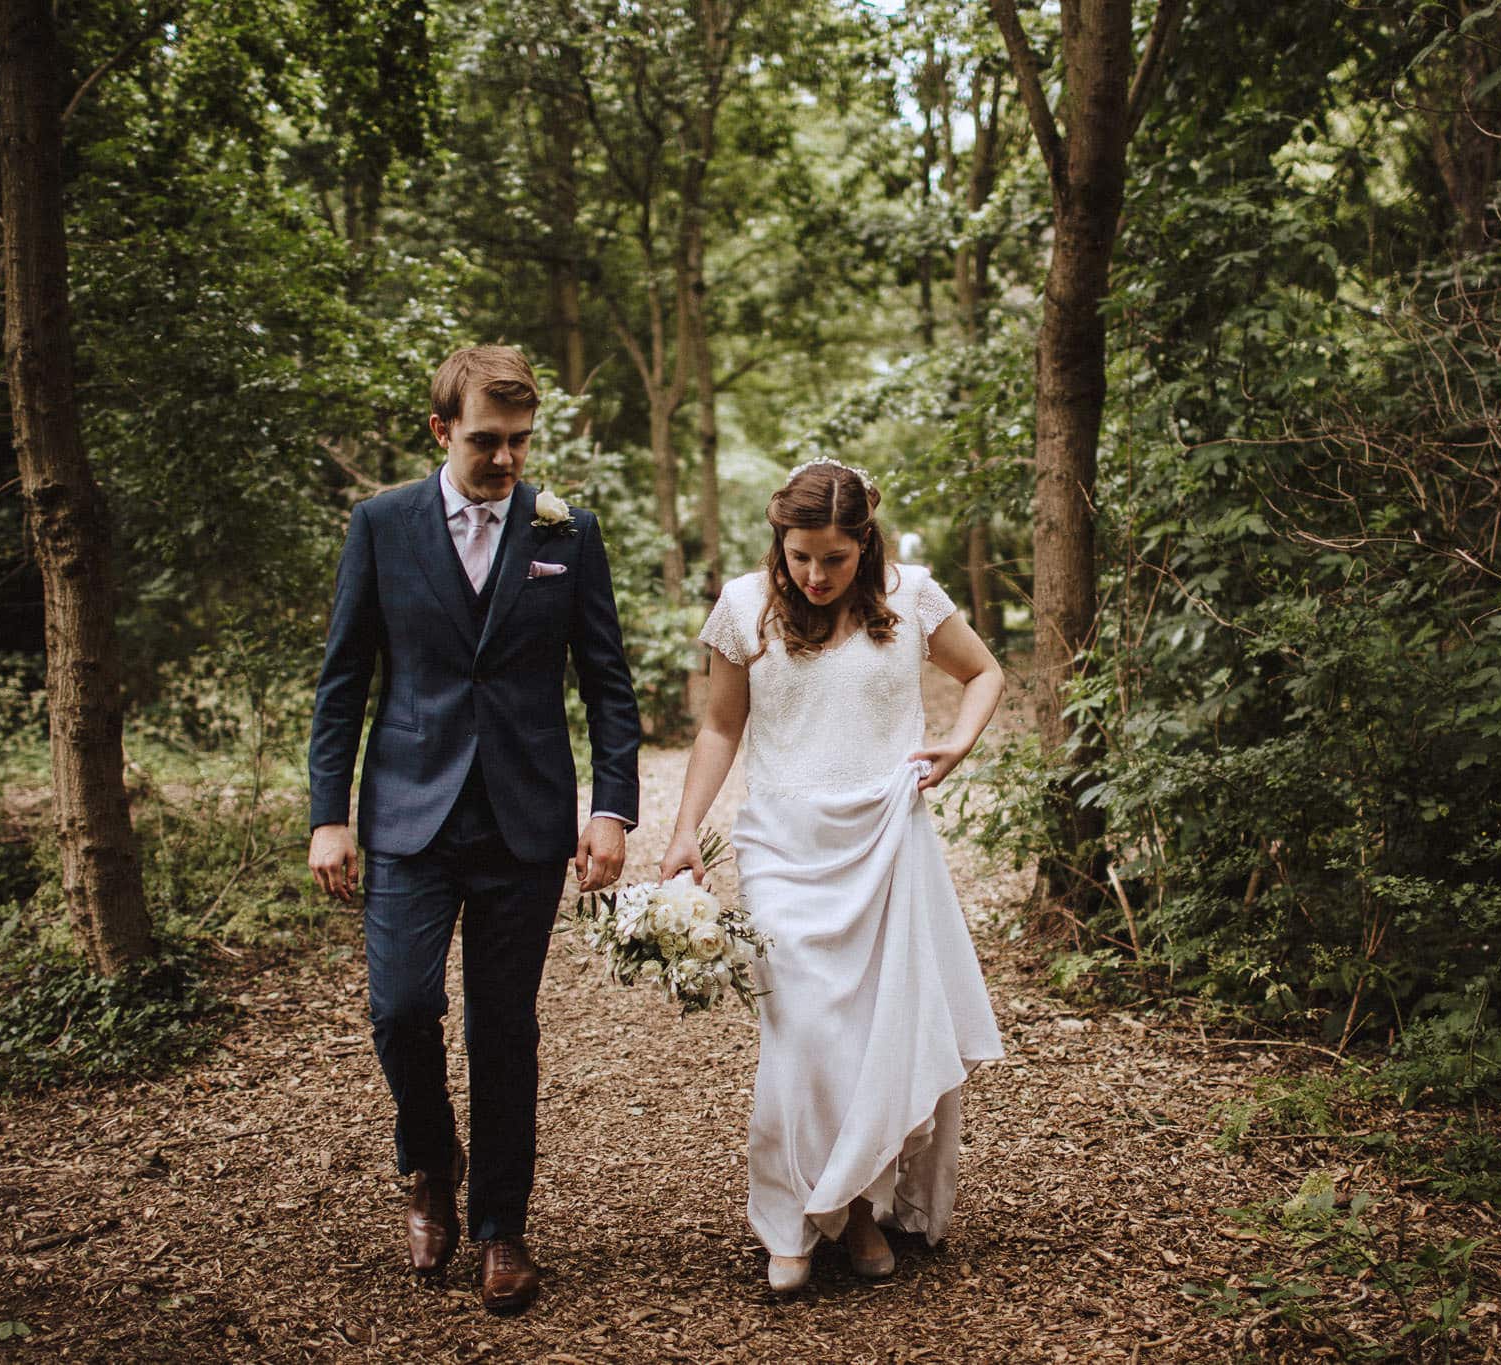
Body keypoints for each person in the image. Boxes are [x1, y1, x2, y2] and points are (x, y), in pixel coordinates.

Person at [307, 344, 642, 1315]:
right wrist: (329, 815)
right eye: (487, 441)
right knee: (401, 1008)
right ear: (440, 430)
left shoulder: (566, 532)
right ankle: (427, 1162)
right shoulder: (380, 526)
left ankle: (501, 1227)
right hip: (407, 814)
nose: (505, 461)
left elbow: (608, 685)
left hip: (524, 819)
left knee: (504, 1027)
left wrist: (611, 808)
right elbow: (343, 684)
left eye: (519, 442)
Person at [659, 457, 1005, 1293]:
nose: (814, 575)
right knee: (805, 1034)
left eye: (834, 559)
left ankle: (856, 1203)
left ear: (866, 546)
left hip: (889, 838)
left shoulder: (913, 596)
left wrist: (957, 743)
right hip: (783, 843)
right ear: (779, 544)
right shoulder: (744, 607)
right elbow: (718, 726)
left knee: (884, 1028)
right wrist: (682, 833)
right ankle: (796, 1217)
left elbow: (986, 672)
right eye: (799, 556)